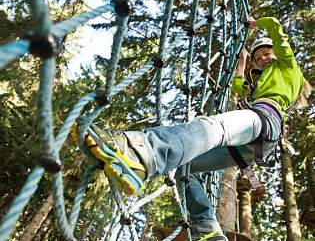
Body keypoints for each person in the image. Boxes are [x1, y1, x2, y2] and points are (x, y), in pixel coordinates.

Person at [73, 16, 310, 240]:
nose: (263, 59)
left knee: (213, 128)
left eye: (267, 54)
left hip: (265, 120)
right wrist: (241, 65)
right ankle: (207, 228)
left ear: (276, 53)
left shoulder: (288, 65)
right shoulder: (260, 83)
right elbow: (239, 88)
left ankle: (142, 153)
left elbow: (277, 29)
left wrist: (257, 23)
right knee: (184, 166)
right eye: (258, 59)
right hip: (254, 146)